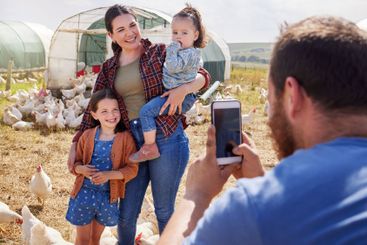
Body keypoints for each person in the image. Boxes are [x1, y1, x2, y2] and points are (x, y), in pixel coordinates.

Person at [159, 16, 367, 244]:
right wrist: (260, 180)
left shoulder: (254, 208)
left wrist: (196, 196)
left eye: (271, 97)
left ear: (292, 96)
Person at [66, 4, 210, 245]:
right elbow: (92, 111)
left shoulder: (161, 52)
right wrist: (75, 144)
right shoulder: (109, 69)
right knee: (126, 213)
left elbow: (203, 76)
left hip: (167, 137)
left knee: (163, 210)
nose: (129, 32)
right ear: (111, 36)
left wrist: (183, 89)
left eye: (132, 25)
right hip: (131, 142)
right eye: (120, 29)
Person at [129, 5, 206, 163]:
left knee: (146, 112)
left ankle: (149, 147)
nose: (178, 37)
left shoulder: (189, 53)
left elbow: (172, 66)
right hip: (176, 94)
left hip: (183, 98)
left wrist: (171, 50)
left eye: (184, 33)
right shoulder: (182, 51)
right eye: (175, 32)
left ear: (195, 35)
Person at [66, 89, 138, 245]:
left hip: (107, 197)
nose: (111, 115)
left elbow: (132, 169)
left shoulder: (126, 139)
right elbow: (75, 165)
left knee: (95, 239)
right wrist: (81, 170)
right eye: (104, 111)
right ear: (94, 115)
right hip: (84, 194)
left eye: (115, 110)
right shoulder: (87, 136)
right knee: (83, 240)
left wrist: (108, 175)